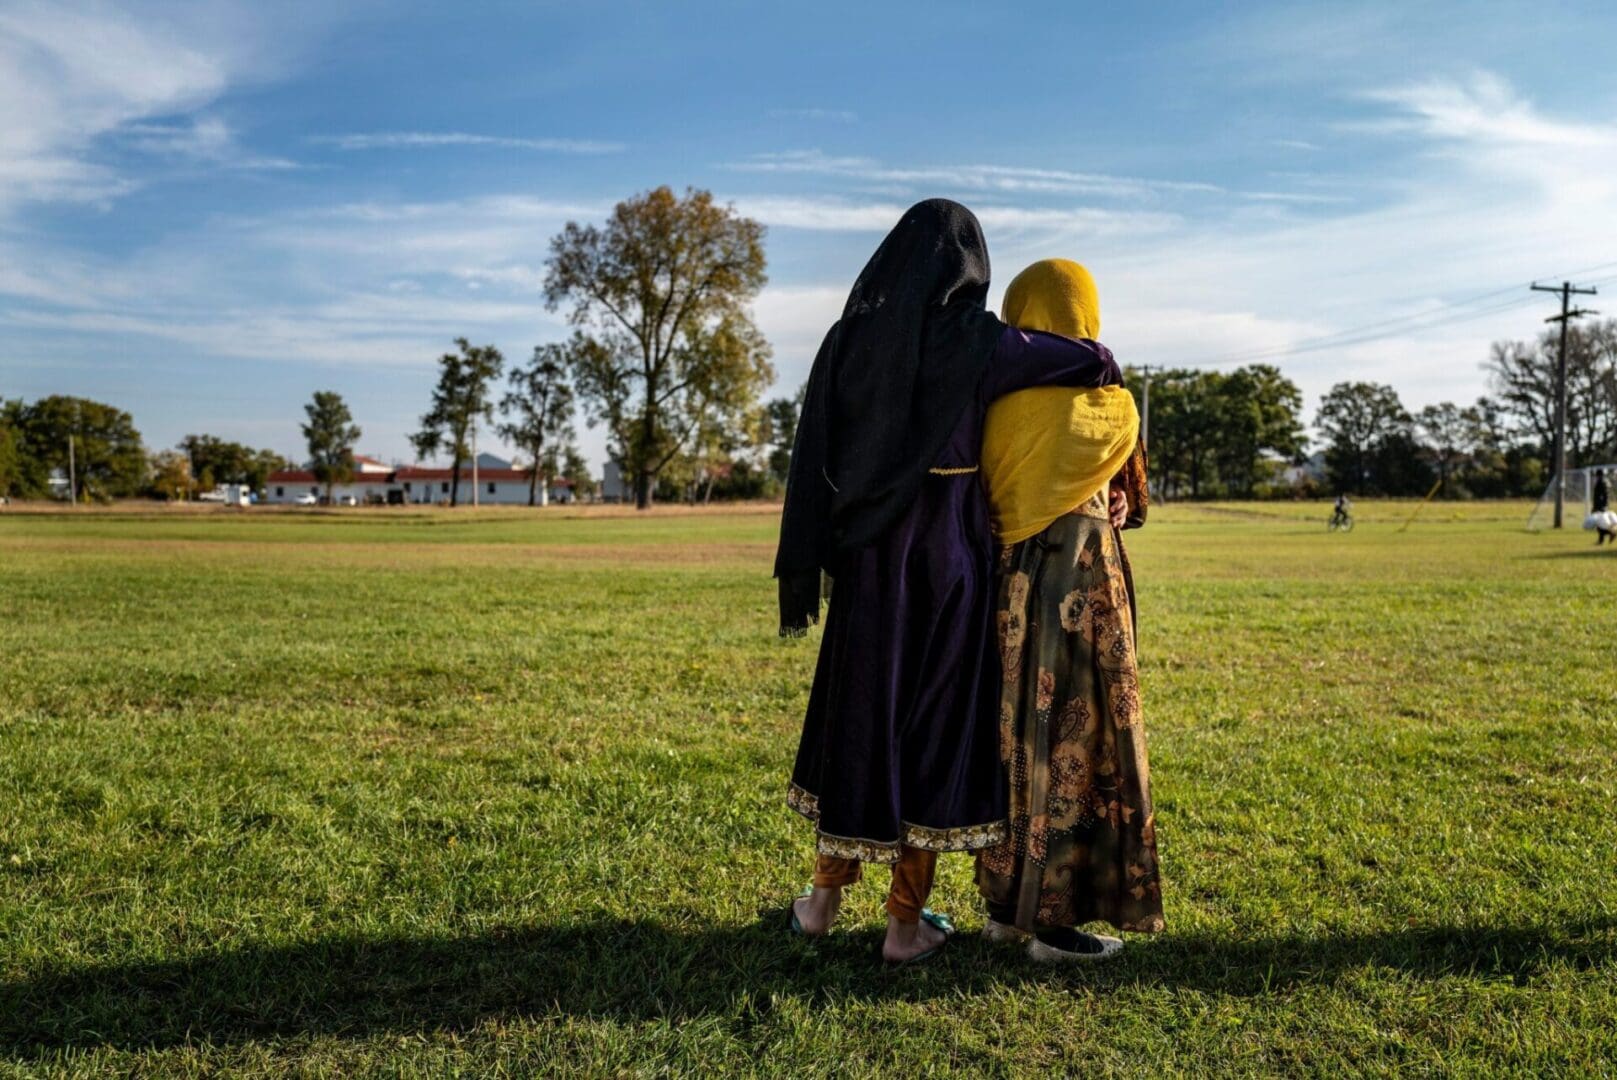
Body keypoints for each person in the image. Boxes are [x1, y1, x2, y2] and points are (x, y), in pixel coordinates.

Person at [775, 202, 1123, 966]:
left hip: (868, 557)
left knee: (859, 718)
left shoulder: (846, 340)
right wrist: (1104, 367)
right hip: (948, 560)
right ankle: (903, 927)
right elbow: (1081, 358)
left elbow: (815, 452)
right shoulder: (976, 341)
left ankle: (820, 904)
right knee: (929, 729)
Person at [974, 258, 1165, 963]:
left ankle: (1005, 908)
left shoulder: (993, 403)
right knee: (1081, 750)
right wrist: (1108, 498)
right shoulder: (1111, 401)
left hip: (1007, 594)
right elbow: (1132, 500)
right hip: (1090, 595)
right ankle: (1052, 926)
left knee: (1013, 746)